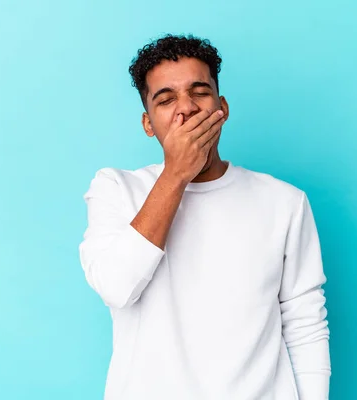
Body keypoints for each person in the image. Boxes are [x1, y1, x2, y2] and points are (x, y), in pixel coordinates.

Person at [79, 34, 331, 399]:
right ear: (148, 123)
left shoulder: (284, 202)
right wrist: (176, 174)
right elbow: (116, 288)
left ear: (222, 107)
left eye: (199, 92)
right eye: (165, 99)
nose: (186, 108)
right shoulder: (115, 189)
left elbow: (305, 323)